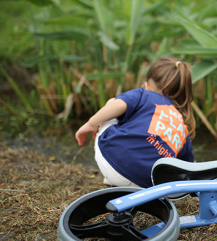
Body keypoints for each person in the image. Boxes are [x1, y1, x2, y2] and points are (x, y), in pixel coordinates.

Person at [75, 56, 195, 188]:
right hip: (147, 184)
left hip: (113, 163)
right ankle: (118, 179)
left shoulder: (144, 94)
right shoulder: (182, 129)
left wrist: (91, 124)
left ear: (148, 84)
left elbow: (119, 105)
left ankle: (113, 178)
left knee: (112, 103)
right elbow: (190, 165)